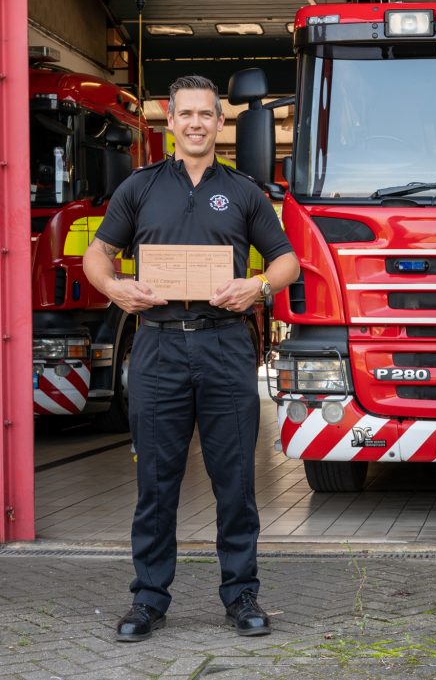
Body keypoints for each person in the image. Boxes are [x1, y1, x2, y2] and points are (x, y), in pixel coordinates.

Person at [83, 75, 300, 642]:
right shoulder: (140, 187)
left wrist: (256, 287)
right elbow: (97, 254)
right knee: (156, 480)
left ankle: (242, 594)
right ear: (170, 121)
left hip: (226, 343)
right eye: (186, 114)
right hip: (157, 345)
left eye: (207, 114)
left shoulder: (246, 192)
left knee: (235, 479)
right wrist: (114, 289)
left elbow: (287, 262)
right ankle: (149, 600)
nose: (197, 123)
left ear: (220, 123)